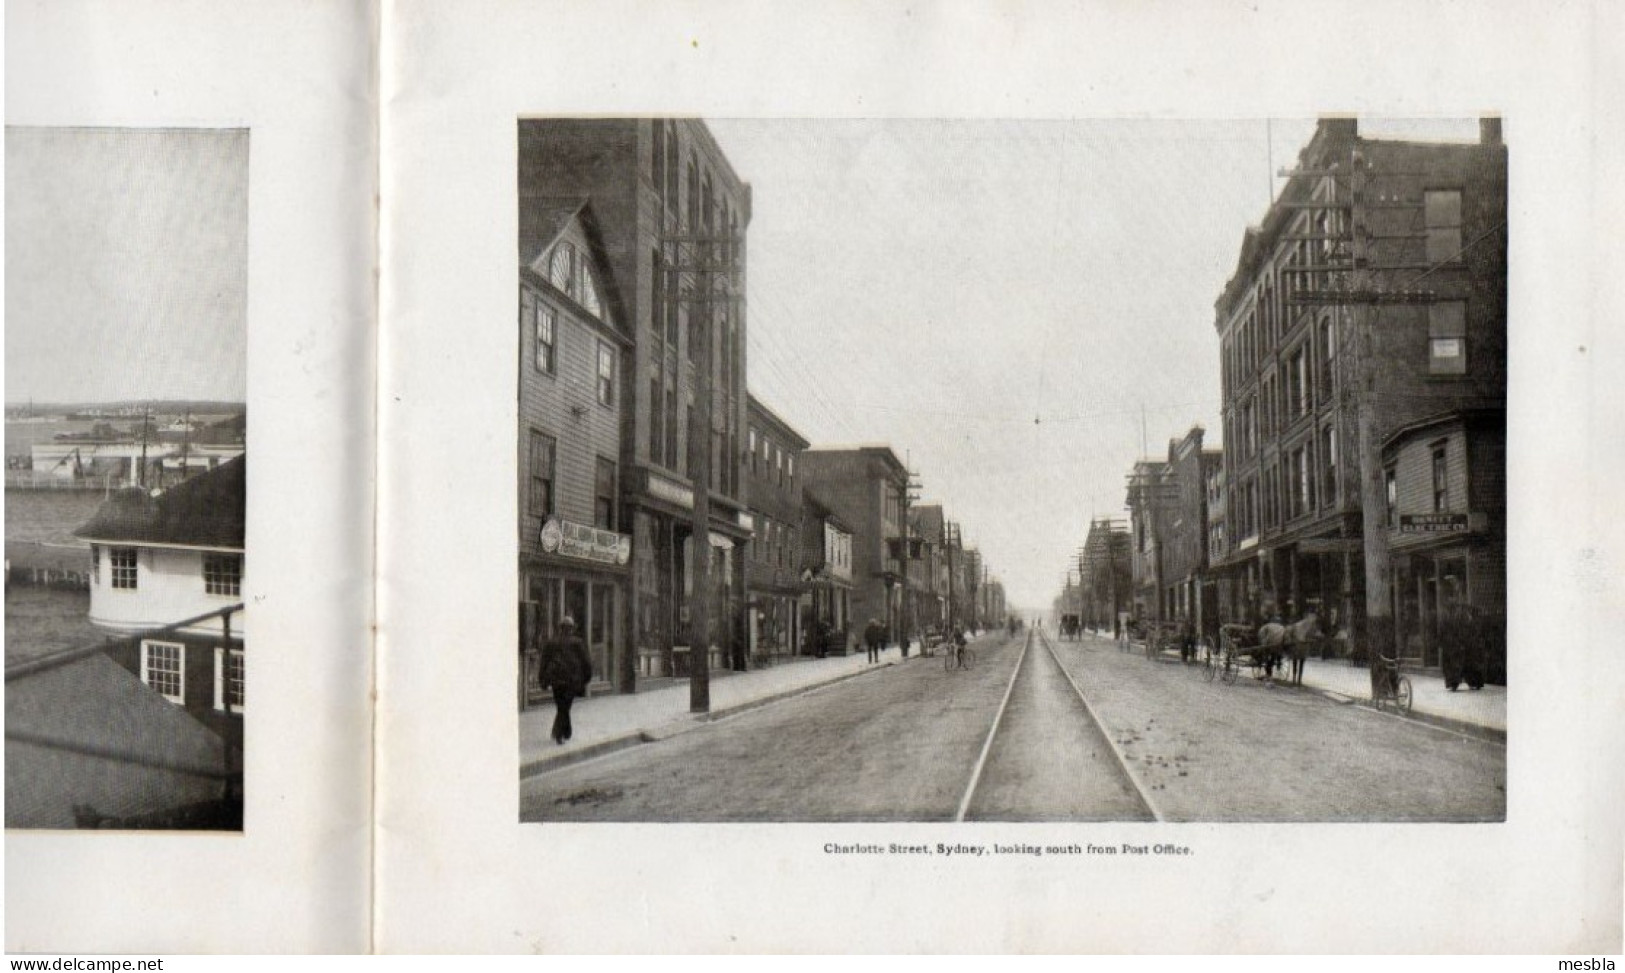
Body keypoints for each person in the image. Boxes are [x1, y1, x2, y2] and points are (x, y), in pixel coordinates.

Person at [539, 616, 592, 745]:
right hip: (571, 681)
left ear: (560, 628)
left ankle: (559, 731)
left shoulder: (551, 643)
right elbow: (586, 663)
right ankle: (561, 734)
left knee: (561, 706)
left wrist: (543, 680)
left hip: (556, 681)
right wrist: (586, 679)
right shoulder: (578, 643)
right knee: (565, 707)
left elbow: (544, 663)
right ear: (571, 629)